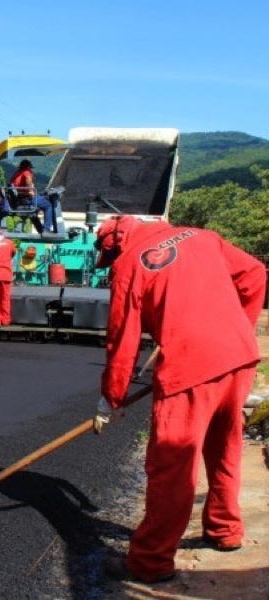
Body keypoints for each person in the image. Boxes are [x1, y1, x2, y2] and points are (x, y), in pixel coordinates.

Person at [91, 215, 266, 584]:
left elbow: (121, 339)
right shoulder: (203, 236)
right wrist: (235, 331)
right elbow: (255, 275)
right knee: (224, 447)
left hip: (190, 365)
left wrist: (112, 397)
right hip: (238, 356)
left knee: (171, 464)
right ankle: (225, 530)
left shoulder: (128, 264)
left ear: (113, 244)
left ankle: (150, 562)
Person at [9, 159, 55, 232]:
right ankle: (46, 229)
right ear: (28, 167)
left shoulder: (16, 174)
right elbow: (29, 188)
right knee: (48, 205)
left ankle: (40, 230)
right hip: (26, 200)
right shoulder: (26, 172)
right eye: (30, 168)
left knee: (34, 209)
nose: (31, 170)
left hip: (18, 200)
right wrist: (30, 189)